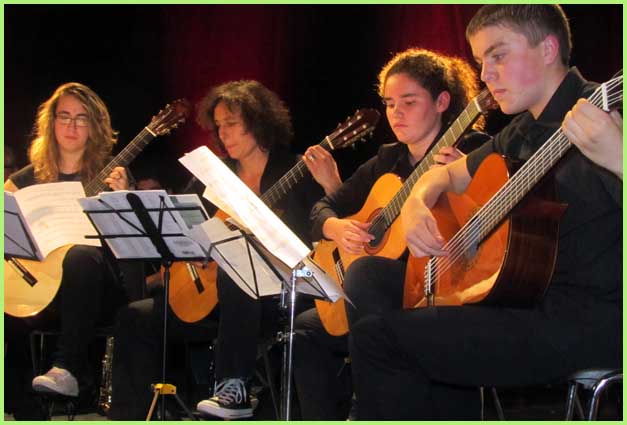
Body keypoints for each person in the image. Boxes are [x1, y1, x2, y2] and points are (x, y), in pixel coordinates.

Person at [348, 5, 622, 420]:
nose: (486, 75)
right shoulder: (523, 128)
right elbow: (445, 175)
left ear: (548, 49)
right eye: (480, 61)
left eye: (498, 55)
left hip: (589, 315)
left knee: (377, 341)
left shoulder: (609, 113)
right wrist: (417, 203)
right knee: (368, 275)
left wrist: (619, 158)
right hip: (519, 296)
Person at [107, 80, 342, 420]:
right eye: (218, 125)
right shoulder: (215, 175)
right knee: (134, 317)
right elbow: (179, 219)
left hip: (274, 297)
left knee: (237, 265)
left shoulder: (295, 171)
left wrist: (332, 184)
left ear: (259, 122)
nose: (223, 133)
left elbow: (331, 227)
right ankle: (127, 416)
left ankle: (234, 387)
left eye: (231, 123)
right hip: (209, 294)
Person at [292, 48, 490, 420]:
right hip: (382, 293)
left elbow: (497, 218)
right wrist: (336, 227)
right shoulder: (386, 159)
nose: (396, 113)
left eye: (409, 102)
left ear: (442, 102)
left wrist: (466, 181)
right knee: (302, 331)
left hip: (440, 283)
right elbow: (322, 209)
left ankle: (370, 406)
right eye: (389, 104)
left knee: (365, 274)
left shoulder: (472, 150)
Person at [4, 82, 143, 418]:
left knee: (82, 255)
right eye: (64, 116)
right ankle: (21, 406)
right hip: (43, 291)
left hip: (97, 292)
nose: (71, 125)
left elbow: (132, 248)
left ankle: (67, 368)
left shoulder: (113, 176)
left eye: (81, 118)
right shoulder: (24, 181)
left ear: (95, 126)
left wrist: (122, 198)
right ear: (51, 123)